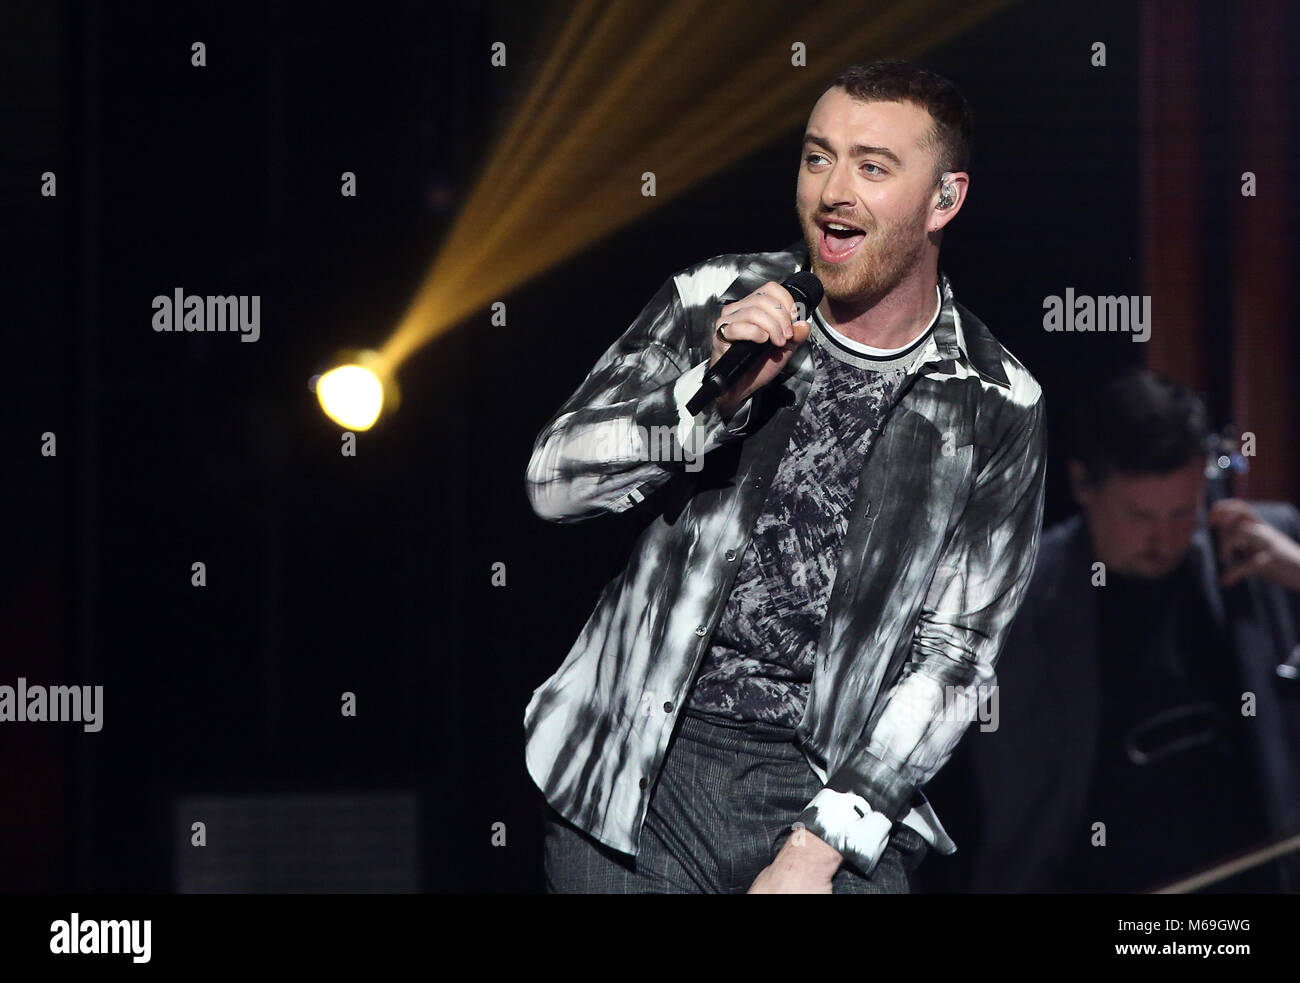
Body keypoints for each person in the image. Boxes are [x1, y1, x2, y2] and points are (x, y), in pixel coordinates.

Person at [523, 60, 1047, 893]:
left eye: (873, 167)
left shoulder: (993, 400)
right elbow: (552, 485)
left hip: (833, 785)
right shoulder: (713, 301)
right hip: (640, 776)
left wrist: (820, 846)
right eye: (817, 157)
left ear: (944, 200)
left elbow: (956, 656)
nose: (834, 190)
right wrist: (706, 398)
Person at [938, 369, 1300, 893]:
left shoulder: (1264, 549)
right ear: (1084, 483)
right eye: (1140, 515)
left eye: (1183, 510)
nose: (1165, 537)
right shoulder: (1020, 592)